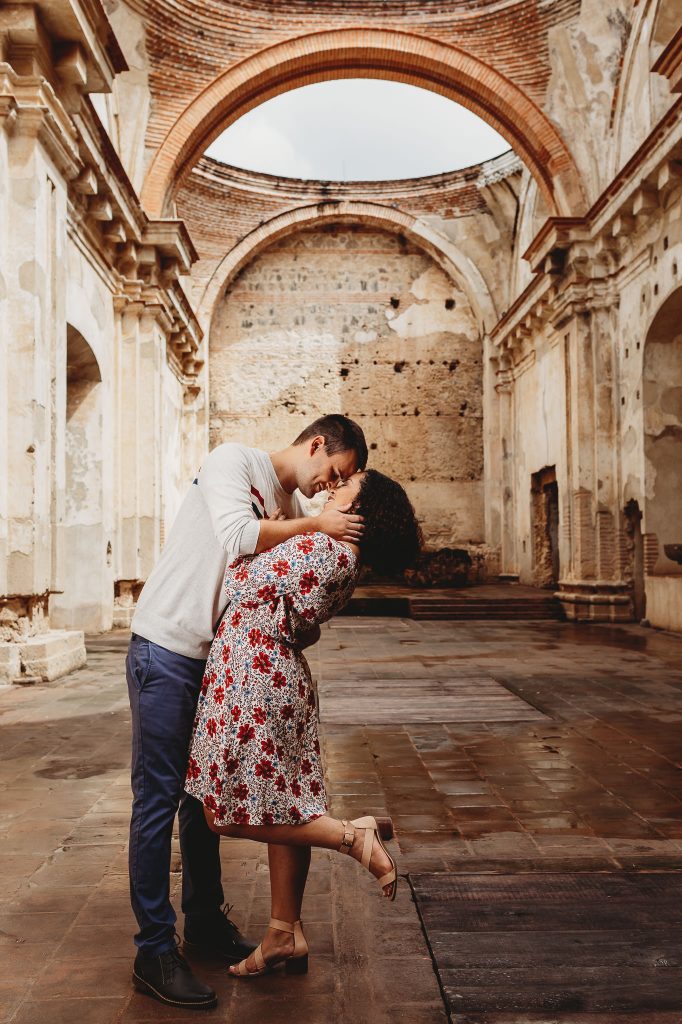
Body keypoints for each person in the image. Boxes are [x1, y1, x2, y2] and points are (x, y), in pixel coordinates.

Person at [127, 415, 368, 1010]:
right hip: (166, 648)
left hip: (213, 661)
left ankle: (204, 922)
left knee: (198, 798)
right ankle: (154, 950)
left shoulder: (288, 502)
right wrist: (319, 524)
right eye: (334, 472)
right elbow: (237, 537)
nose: (325, 489)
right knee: (158, 799)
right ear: (317, 445)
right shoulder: (233, 459)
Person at [184, 469, 421, 977]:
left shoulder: (327, 549)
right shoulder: (334, 550)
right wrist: (292, 531)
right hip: (270, 674)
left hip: (255, 679)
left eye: (350, 483)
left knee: (223, 815)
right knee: (286, 808)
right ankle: (282, 933)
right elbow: (295, 614)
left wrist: (272, 536)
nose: (337, 486)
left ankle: (353, 838)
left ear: (363, 508)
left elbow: (240, 581)